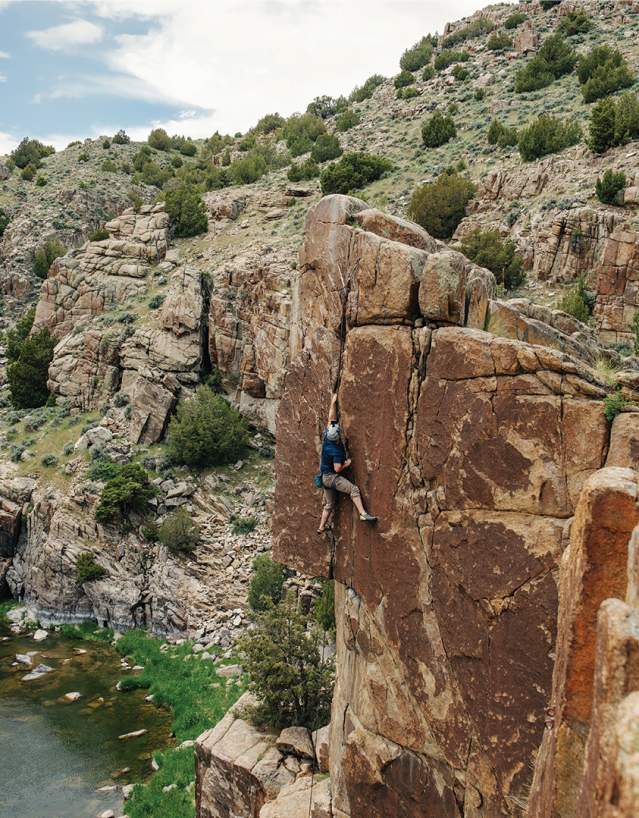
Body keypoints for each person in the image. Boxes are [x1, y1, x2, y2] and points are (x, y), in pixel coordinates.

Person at [317, 393, 377, 534]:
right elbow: (337, 468)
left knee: (329, 504)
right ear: (337, 436)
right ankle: (363, 513)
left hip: (324, 477)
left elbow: (330, 418)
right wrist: (347, 464)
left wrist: (333, 402)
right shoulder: (336, 451)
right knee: (354, 490)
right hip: (332, 478)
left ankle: (321, 527)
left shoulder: (327, 437)